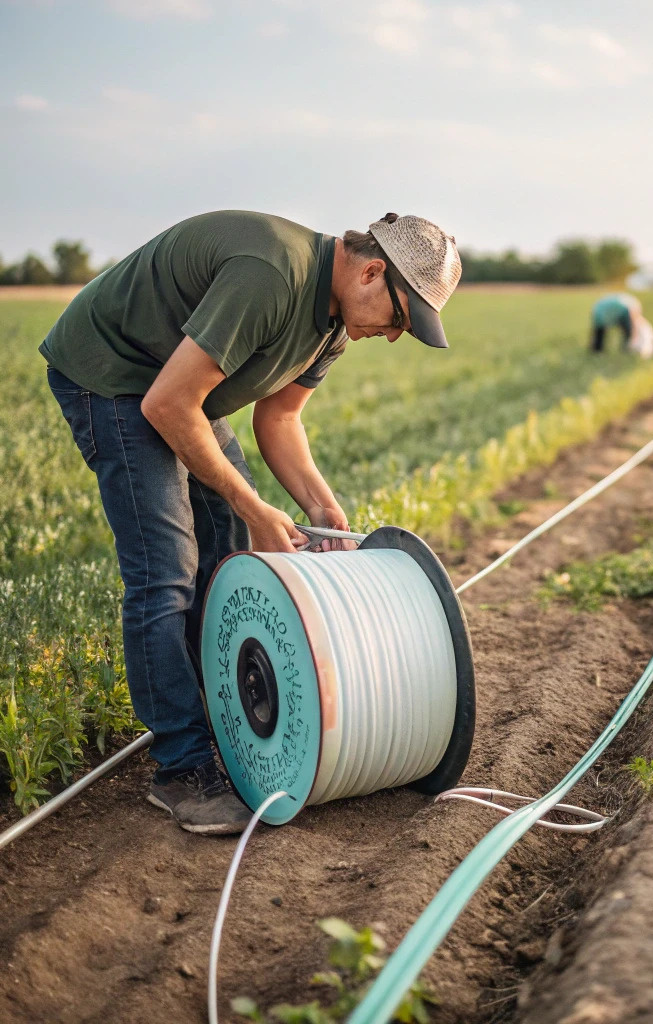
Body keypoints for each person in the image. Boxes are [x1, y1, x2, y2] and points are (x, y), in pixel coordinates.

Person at [40, 210, 462, 835]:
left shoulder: (335, 323)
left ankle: (219, 720)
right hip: (118, 376)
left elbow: (281, 419)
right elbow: (165, 404)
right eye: (401, 317)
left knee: (227, 555)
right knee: (167, 573)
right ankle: (182, 769)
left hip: (179, 384)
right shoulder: (271, 276)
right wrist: (252, 503)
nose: (397, 335)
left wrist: (321, 507)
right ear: (372, 271)